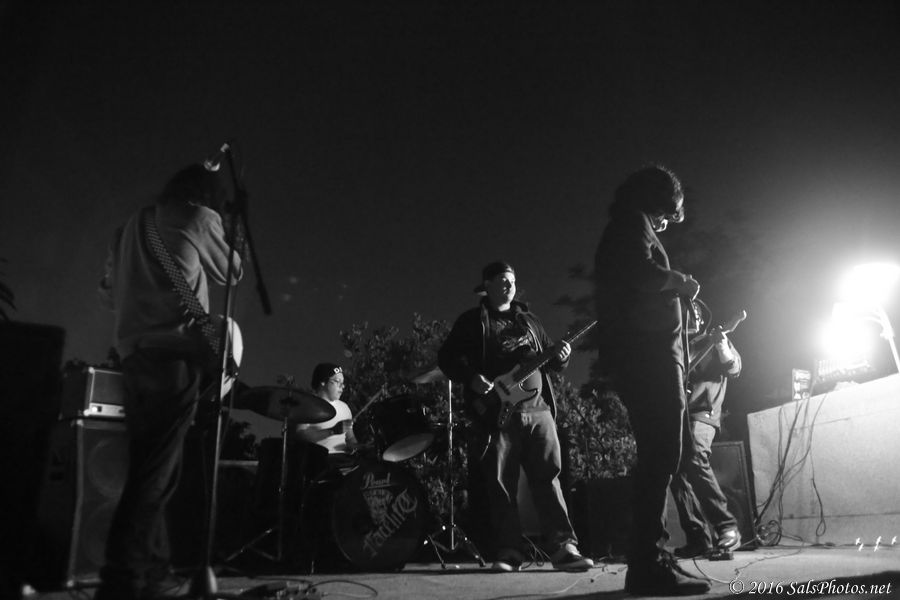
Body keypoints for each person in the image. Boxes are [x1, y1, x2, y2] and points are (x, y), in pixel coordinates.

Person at [96, 164, 243, 600]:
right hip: (173, 358)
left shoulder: (129, 227)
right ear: (207, 195)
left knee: (152, 466)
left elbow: (106, 293)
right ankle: (120, 578)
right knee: (155, 476)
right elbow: (232, 271)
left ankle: (154, 573)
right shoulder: (197, 216)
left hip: (132, 356)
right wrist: (228, 228)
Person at [593, 165, 709, 595]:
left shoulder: (629, 224)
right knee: (662, 455)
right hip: (649, 359)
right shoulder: (632, 223)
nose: (669, 222)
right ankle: (649, 563)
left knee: (660, 455)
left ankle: (650, 559)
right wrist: (680, 282)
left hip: (648, 357)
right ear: (658, 200)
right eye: (670, 212)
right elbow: (639, 273)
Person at [438, 261, 593, 573]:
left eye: (512, 280)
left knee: (549, 478)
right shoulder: (472, 321)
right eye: (502, 280)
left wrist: (562, 358)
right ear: (487, 285)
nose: (509, 285)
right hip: (499, 413)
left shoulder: (530, 320)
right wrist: (471, 377)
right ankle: (510, 551)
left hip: (539, 410)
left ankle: (564, 547)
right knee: (501, 484)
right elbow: (446, 357)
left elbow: (550, 359)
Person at [670, 305, 743, 558]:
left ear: (700, 319)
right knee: (676, 473)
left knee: (695, 457)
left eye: (692, 315)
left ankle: (726, 526)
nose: (688, 318)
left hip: (702, 413)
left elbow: (734, 369)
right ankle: (698, 538)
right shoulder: (677, 347)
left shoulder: (713, 340)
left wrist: (721, 345)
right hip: (677, 416)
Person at [294, 363, 358, 472]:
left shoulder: (344, 407)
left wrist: (359, 446)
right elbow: (301, 435)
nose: (342, 386)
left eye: (343, 383)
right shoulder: (308, 405)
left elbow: (350, 438)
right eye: (337, 381)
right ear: (323, 382)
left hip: (344, 459)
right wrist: (332, 431)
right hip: (320, 460)